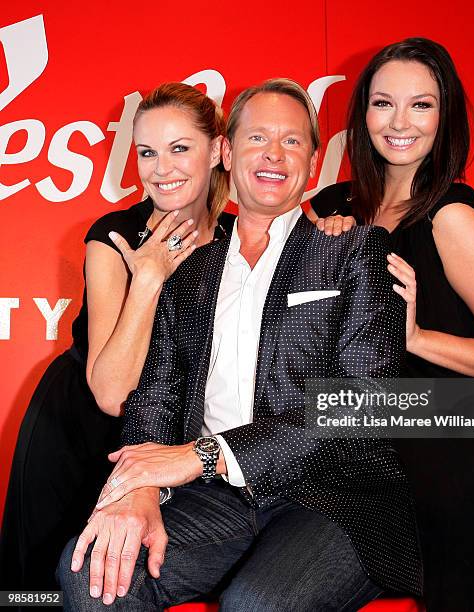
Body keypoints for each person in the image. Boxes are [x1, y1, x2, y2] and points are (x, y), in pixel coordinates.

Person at [57, 78, 422, 611]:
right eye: (257, 139)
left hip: (333, 499)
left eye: (292, 141)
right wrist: (140, 488)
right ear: (227, 151)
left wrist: (203, 455)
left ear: (314, 162)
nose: (274, 154)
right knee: (93, 575)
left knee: (258, 604)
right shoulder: (190, 267)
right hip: (214, 500)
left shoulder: (355, 250)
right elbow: (155, 396)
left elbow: (360, 403)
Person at [310, 38, 474, 612]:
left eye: (422, 105)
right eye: (383, 103)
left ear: (445, 117)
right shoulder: (337, 205)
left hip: (462, 459)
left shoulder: (453, 214)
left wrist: (415, 337)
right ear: (362, 112)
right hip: (373, 463)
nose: (400, 122)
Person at [0, 82, 234, 590]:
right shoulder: (114, 237)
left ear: (217, 150)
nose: (161, 168)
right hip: (78, 437)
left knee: (126, 587)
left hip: (166, 449)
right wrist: (148, 277)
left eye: (180, 148)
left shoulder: (240, 240)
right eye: (147, 152)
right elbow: (110, 393)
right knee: (46, 590)